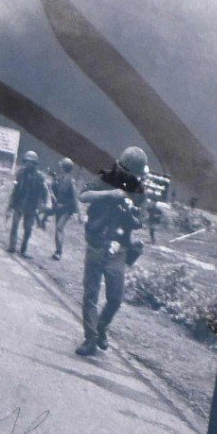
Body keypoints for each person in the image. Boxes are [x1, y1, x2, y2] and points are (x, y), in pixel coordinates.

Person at [75, 148, 148, 358]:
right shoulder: (104, 177)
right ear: (121, 166)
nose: (132, 177)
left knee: (115, 298)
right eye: (129, 172)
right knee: (91, 294)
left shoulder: (139, 190)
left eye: (135, 174)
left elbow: (140, 219)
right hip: (96, 243)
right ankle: (90, 339)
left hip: (119, 248)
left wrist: (134, 217)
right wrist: (109, 193)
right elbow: (83, 195)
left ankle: (101, 328)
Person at [7, 149, 50, 257]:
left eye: (31, 162)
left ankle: (23, 250)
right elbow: (15, 190)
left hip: (31, 206)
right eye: (26, 161)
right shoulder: (20, 173)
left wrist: (44, 204)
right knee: (14, 225)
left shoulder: (39, 177)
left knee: (28, 229)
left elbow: (45, 191)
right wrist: (10, 206)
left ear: (35, 163)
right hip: (19, 203)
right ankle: (12, 247)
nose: (28, 164)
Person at [49, 157, 80, 260]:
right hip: (59, 208)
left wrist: (78, 214)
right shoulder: (59, 178)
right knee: (57, 229)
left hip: (67, 210)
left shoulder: (71, 181)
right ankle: (57, 251)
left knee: (59, 227)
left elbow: (75, 198)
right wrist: (52, 191)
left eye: (61, 166)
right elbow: (54, 190)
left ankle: (59, 252)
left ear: (64, 167)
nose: (59, 167)